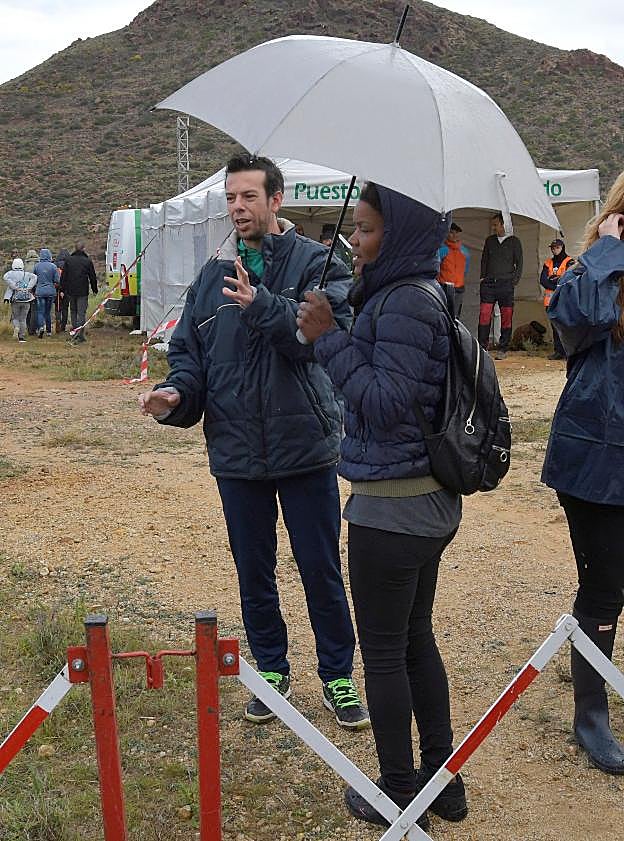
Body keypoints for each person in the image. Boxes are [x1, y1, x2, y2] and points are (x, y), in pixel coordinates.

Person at [138, 154, 369, 730]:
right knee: (254, 571)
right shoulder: (210, 277)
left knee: (320, 567)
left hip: (304, 446)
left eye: (248, 196)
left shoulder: (318, 264)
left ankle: (338, 675)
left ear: (276, 199)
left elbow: (318, 341)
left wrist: (262, 303)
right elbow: (191, 356)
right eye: (231, 198)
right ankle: (270, 670)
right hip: (237, 452)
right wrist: (175, 395)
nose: (237, 207)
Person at [297, 182, 467, 831]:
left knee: (386, 651)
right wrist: (342, 329)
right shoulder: (414, 292)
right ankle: (442, 782)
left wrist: (327, 338)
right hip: (420, 503)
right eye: (356, 228)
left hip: (392, 510)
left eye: (366, 229)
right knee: (415, 638)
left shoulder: (404, 301)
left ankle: (400, 793)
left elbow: (382, 401)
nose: (354, 240)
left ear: (399, 234)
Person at [542, 171, 624, 776]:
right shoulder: (590, 271)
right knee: (604, 586)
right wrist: (609, 252)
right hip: (596, 459)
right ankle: (590, 713)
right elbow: (571, 323)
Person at [478, 212, 523, 359]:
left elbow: (520, 263)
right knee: (485, 314)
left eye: (495, 225)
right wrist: (483, 278)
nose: (493, 227)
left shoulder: (514, 241)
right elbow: (484, 260)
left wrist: (514, 281)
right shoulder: (490, 240)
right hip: (489, 283)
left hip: (506, 284)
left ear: (503, 225)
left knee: (506, 316)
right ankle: (482, 347)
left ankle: (503, 348)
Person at [539, 238, 574, 360]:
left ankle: (568, 351)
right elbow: (543, 280)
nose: (554, 250)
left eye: (557, 247)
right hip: (550, 300)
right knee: (554, 327)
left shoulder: (570, 262)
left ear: (562, 247)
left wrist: (554, 280)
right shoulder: (548, 262)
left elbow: (569, 278)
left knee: (566, 325)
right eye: (553, 248)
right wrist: (557, 282)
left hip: (564, 299)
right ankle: (558, 351)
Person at [60, 242, 98, 342]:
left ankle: (75, 332)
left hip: (71, 291)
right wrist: (95, 289)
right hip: (82, 291)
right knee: (81, 313)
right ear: (83, 249)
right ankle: (80, 335)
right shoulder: (87, 261)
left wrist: (62, 289)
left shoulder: (69, 260)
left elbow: (63, 277)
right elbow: (92, 277)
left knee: (73, 311)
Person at [438, 222, 470, 317]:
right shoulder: (442, 250)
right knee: (443, 314)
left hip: (459, 287)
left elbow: (465, 270)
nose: (454, 235)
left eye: (456, 233)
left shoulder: (464, 251)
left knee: (455, 316)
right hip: (444, 287)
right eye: (451, 232)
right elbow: (435, 269)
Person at [3, 257, 37, 342]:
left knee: (15, 317)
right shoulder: (26, 274)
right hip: (26, 299)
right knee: (23, 319)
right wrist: (28, 287)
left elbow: (5, 277)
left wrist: (14, 286)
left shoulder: (10, 273)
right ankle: (21, 337)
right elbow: (35, 277)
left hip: (16, 299)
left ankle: (16, 328)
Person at [33, 248, 58, 337]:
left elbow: (34, 279)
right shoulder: (53, 266)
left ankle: (41, 327)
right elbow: (57, 280)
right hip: (50, 291)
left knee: (40, 311)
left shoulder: (36, 266)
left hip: (40, 291)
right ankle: (49, 331)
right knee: (48, 312)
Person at [24, 248, 40, 335]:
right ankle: (34, 329)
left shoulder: (25, 265)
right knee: (35, 310)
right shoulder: (38, 264)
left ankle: (28, 327)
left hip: (27, 289)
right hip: (37, 289)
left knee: (28, 310)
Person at [55, 248, 71, 331]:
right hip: (67, 290)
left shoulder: (55, 265)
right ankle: (63, 326)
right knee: (65, 308)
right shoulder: (70, 264)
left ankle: (58, 321)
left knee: (58, 307)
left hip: (57, 289)